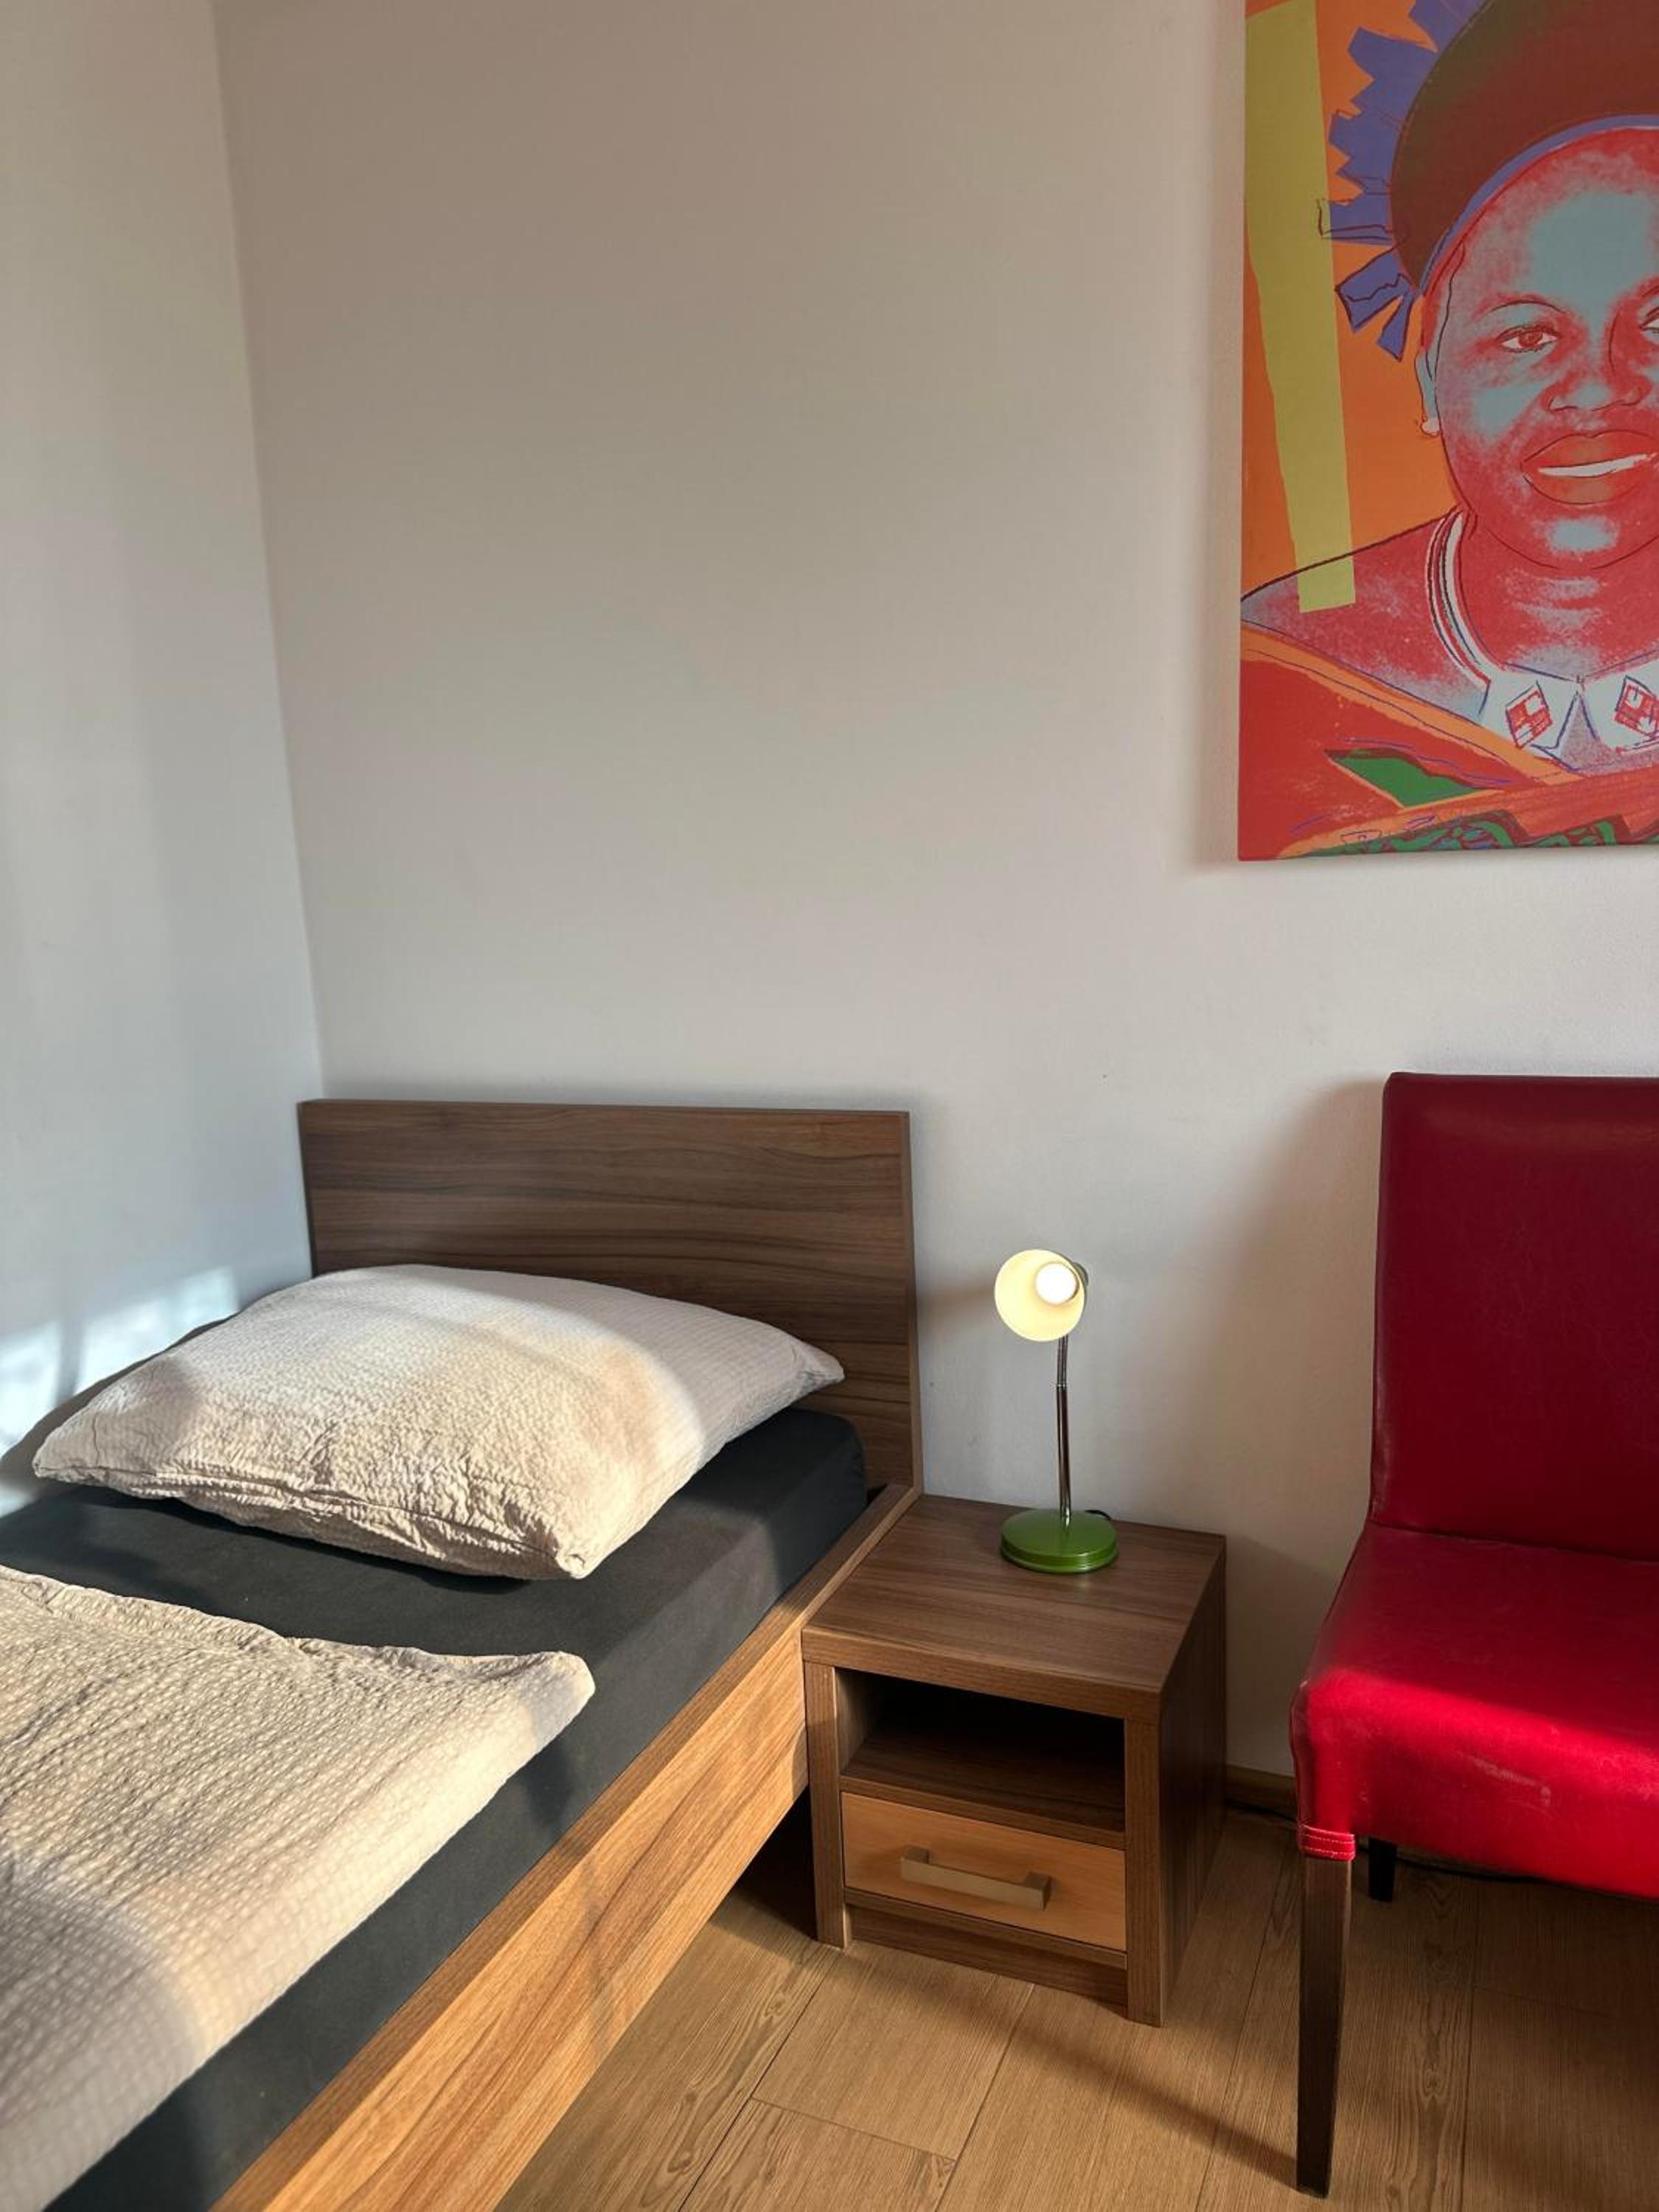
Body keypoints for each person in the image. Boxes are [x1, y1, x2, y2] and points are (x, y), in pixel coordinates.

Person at [1239, 0, 1659, 855]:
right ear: (1432, 374)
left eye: (1658, 323)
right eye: (1527, 335)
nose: (1598, 386)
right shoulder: (1282, 666)